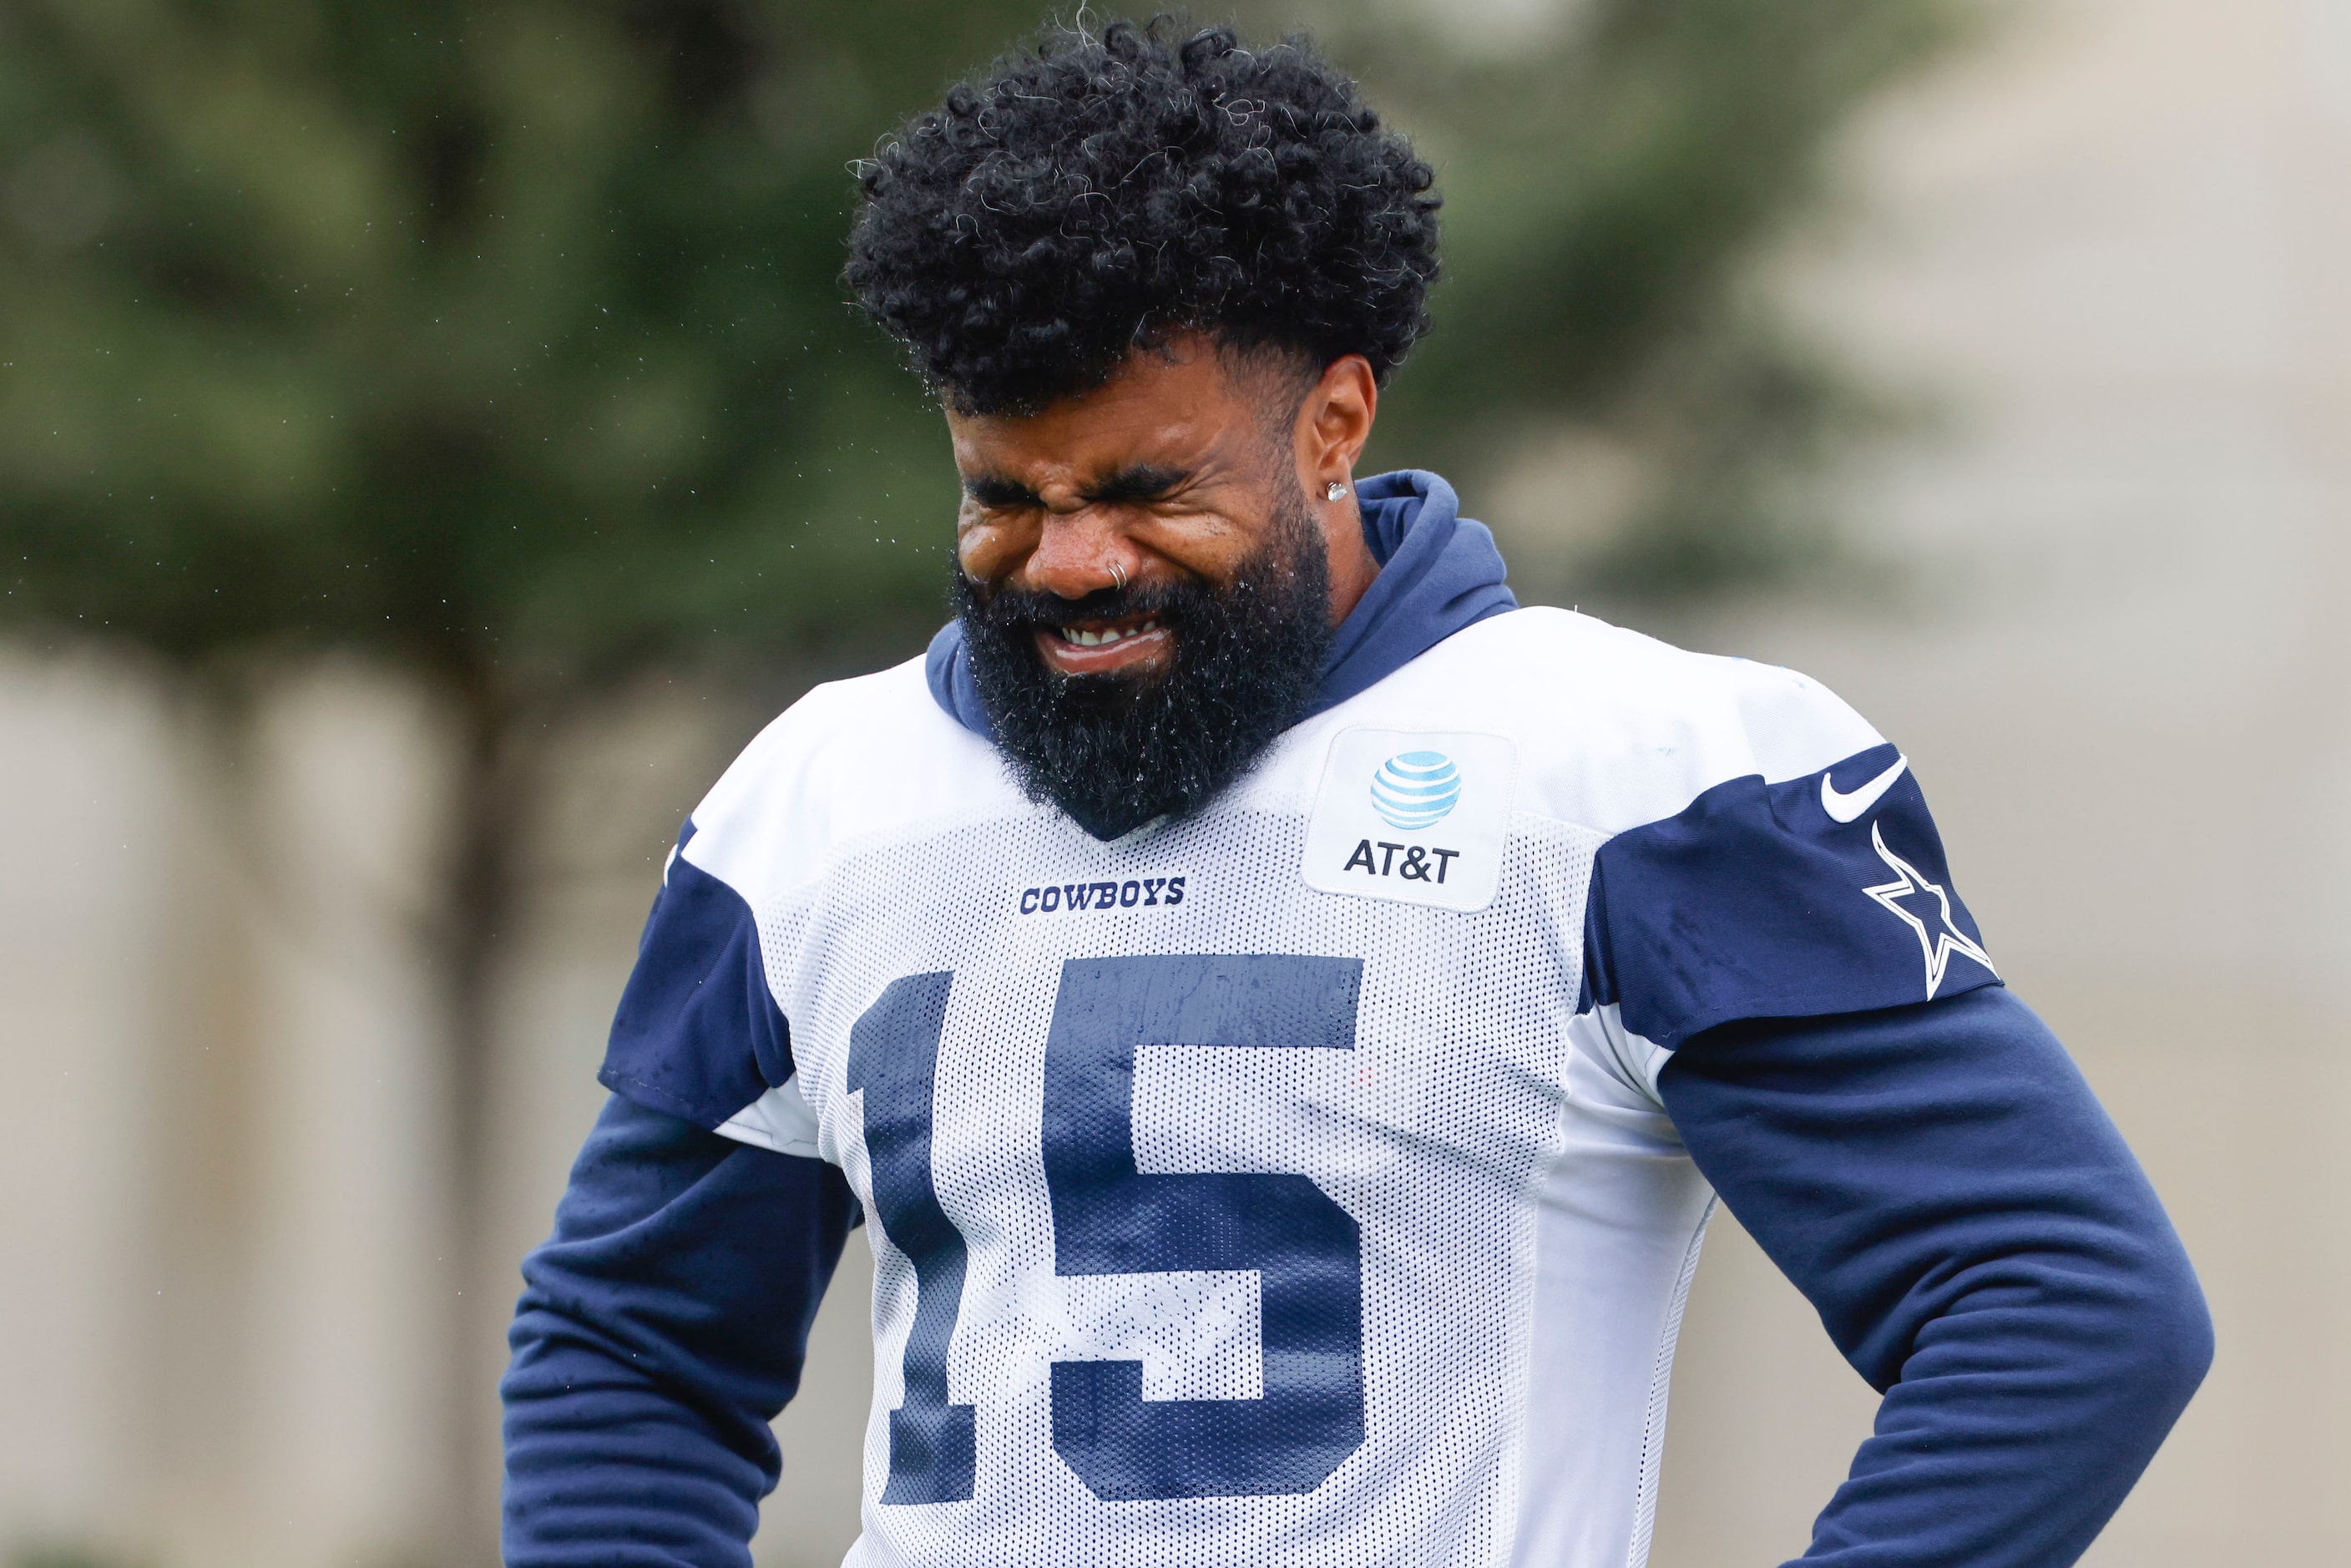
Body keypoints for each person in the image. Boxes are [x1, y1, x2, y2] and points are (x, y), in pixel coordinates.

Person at [500, 20, 2209, 1568]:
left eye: (1144, 487)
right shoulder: (814, 803)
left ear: (1332, 424)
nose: (1071, 560)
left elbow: (2061, 1305)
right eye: (1002, 497)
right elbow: (629, 1351)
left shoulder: (1641, 783)